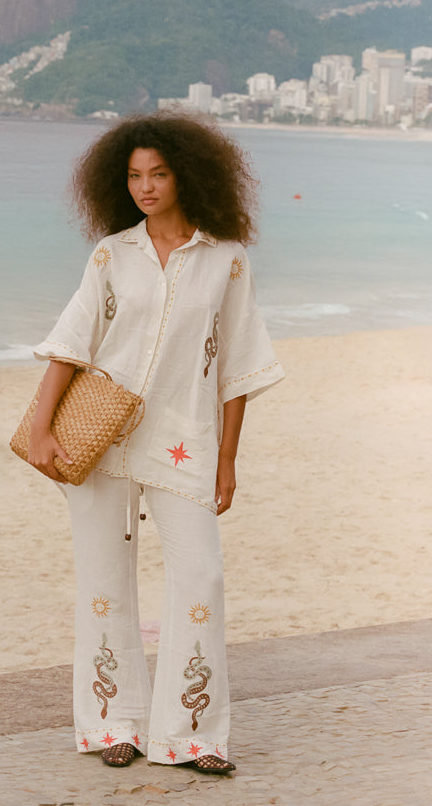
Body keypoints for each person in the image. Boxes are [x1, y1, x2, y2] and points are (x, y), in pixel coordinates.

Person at [28, 112, 283, 774]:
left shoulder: (226, 261)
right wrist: (38, 427)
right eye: (134, 175)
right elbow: (71, 342)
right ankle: (114, 723)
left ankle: (191, 735)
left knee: (201, 576)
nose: (144, 186)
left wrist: (226, 461)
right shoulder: (111, 253)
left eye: (158, 174)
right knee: (103, 583)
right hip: (100, 440)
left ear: (187, 175)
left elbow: (237, 370)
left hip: (184, 442)